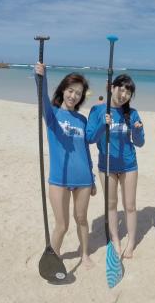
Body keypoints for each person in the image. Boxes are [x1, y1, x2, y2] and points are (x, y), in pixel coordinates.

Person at [34, 64, 96, 268]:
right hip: (59, 178)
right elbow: (42, 98)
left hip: (83, 178)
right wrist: (40, 77)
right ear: (63, 90)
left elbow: (86, 150)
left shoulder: (82, 119)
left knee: (82, 219)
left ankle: (85, 253)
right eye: (70, 90)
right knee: (62, 225)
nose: (74, 96)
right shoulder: (52, 115)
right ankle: (53, 256)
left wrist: (93, 179)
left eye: (78, 93)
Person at [86, 73, 145, 258]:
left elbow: (140, 142)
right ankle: (115, 240)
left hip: (129, 164)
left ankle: (131, 243)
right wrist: (103, 124)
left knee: (130, 205)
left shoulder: (132, 113)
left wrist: (137, 130)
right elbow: (90, 138)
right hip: (107, 165)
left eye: (128, 91)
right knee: (111, 205)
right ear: (111, 87)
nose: (124, 94)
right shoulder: (97, 111)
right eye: (121, 88)